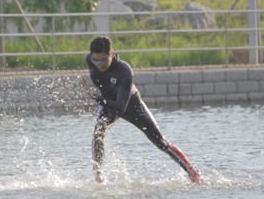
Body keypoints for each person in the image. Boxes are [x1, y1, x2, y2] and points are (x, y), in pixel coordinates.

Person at [82, 36, 202, 184]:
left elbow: (121, 107)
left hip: (131, 106)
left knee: (161, 142)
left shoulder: (124, 72)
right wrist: (101, 100)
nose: (99, 65)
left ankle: (193, 172)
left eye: (104, 61)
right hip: (108, 104)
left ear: (113, 54)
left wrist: (96, 98)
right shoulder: (90, 60)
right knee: (98, 130)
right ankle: (98, 173)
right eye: (96, 61)